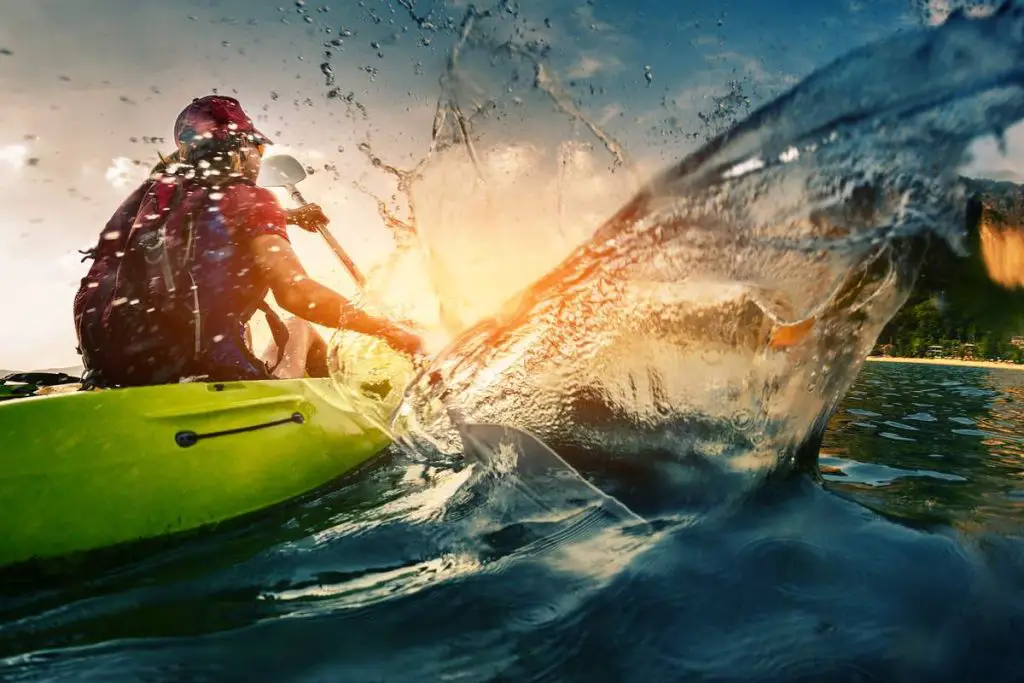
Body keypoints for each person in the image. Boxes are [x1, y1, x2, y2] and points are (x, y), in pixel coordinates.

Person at [74, 95, 423, 387]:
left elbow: (206, 223)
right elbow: (296, 293)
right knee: (300, 325)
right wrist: (389, 331)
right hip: (207, 371)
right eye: (258, 148)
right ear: (242, 149)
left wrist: (289, 217)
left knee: (262, 326)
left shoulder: (153, 200)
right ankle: (337, 413)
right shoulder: (252, 199)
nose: (259, 159)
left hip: (117, 373)